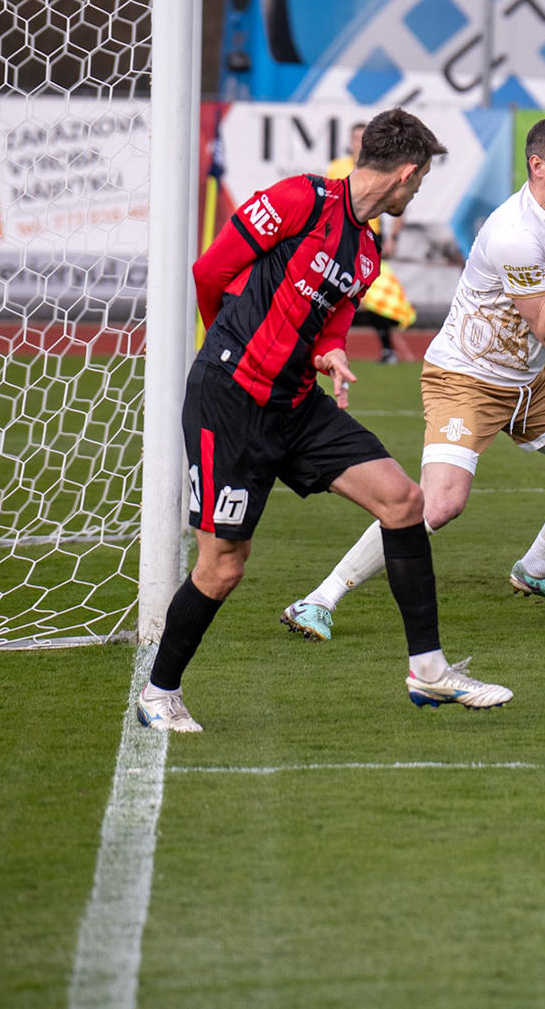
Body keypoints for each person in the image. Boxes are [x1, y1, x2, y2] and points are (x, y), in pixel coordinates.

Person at [137, 108, 511, 732]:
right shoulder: (299, 200)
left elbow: (333, 321)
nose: (417, 192)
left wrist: (329, 351)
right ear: (406, 173)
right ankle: (159, 692)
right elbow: (211, 271)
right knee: (224, 564)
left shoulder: (366, 251)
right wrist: (227, 343)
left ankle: (429, 671)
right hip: (230, 399)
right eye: (420, 180)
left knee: (403, 501)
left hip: (297, 402)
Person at [280, 115, 545, 638]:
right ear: (537, 165)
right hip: (465, 378)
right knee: (440, 504)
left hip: (527, 383)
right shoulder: (514, 234)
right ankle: (319, 599)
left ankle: (540, 566)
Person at [328, 122, 414, 365]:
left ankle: (387, 349)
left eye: (362, 138)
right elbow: (330, 201)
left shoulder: (381, 168)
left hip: (369, 239)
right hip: (341, 238)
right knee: (332, 291)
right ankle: (323, 347)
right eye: (355, 138)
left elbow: (399, 203)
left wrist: (393, 238)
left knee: (375, 296)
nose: (358, 143)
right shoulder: (337, 167)